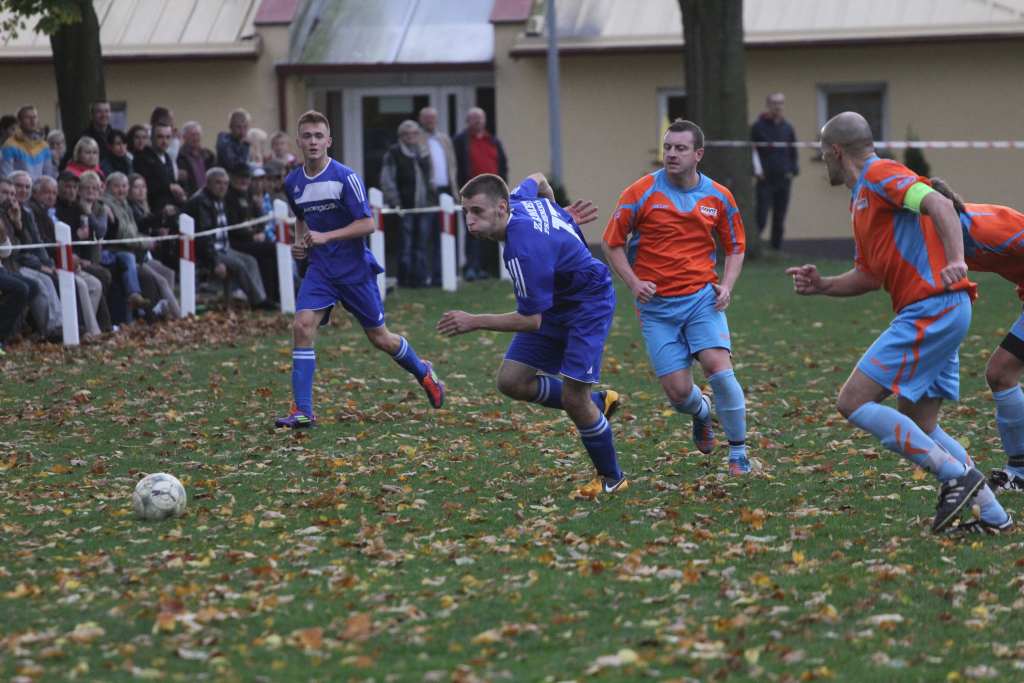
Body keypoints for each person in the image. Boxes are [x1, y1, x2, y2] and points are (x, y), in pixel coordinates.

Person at [785, 111, 1010, 535]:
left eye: (822, 153)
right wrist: (823, 285)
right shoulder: (862, 199)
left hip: (934, 308)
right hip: (940, 310)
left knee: (852, 401)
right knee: (921, 423)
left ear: (836, 152)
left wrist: (958, 260)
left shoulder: (881, 175)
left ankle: (953, 474)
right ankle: (995, 518)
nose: (823, 161)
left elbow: (937, 202)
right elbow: (870, 275)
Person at [438, 172, 625, 497]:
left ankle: (613, 479)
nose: (469, 220)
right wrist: (557, 214)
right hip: (556, 299)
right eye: (465, 211)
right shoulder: (520, 200)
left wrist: (474, 320)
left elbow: (530, 321)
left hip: (587, 304)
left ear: (500, 208)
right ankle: (597, 404)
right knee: (511, 381)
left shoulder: (522, 250)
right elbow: (538, 178)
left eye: (477, 212)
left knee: (572, 399)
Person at [275, 110, 445, 428]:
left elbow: (367, 223)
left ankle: (424, 372)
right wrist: (301, 245)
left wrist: (326, 236)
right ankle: (303, 411)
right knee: (301, 326)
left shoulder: (345, 177)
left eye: (318, 136)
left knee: (381, 338)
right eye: (307, 136)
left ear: (329, 141)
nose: (312, 142)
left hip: (354, 270)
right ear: (298, 142)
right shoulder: (293, 182)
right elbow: (300, 216)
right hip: (321, 270)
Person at [603, 119, 752, 476]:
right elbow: (612, 243)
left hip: (703, 299)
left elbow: (735, 246)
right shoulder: (639, 193)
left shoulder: (718, 196)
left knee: (720, 370)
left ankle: (739, 454)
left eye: (680, 148)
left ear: (698, 154)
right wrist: (634, 282)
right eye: (668, 147)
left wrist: (727, 285)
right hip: (657, 309)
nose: (671, 154)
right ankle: (701, 412)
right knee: (679, 394)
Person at [926, 178, 1024, 498]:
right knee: (1001, 373)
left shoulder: (987, 228)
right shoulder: (948, 237)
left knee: (1002, 372)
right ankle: (1020, 471)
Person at [184, 167, 269, 309]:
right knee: (239, 265)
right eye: (218, 183)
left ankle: (261, 298)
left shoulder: (220, 199)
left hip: (224, 247)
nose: (222, 187)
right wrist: (215, 262)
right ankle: (258, 302)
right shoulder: (202, 202)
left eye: (225, 183)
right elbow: (204, 237)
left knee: (250, 261)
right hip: (211, 251)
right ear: (208, 183)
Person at [29, 175, 102, 337]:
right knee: (81, 284)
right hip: (51, 262)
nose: (51, 196)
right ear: (35, 193)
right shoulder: (34, 212)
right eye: (46, 192)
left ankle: (90, 328)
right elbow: (43, 244)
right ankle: (80, 330)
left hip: (64, 259)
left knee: (95, 284)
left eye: (54, 193)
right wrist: (61, 260)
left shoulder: (51, 213)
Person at [103, 172, 180, 320]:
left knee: (168, 272)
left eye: (124, 186)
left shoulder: (124, 204)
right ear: (108, 187)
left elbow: (134, 232)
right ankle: (174, 317)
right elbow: (123, 237)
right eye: (117, 186)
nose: (121, 190)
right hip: (123, 254)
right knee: (157, 279)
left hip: (136, 252)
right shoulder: (108, 205)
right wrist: (146, 242)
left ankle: (167, 313)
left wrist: (148, 239)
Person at [0, 175, 60, 339]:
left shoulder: (15, 213)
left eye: (12, 194)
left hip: (9, 264)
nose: (10, 197)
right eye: (5, 192)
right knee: (30, 285)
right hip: (14, 265)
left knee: (33, 285)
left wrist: (18, 225)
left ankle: (51, 327)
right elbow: (14, 253)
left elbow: (20, 247)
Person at [452, 107, 508, 281]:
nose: (477, 122)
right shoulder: (460, 141)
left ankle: (484, 267)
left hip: (492, 194)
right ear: (468, 121)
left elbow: (502, 165)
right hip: (471, 195)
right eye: (474, 119)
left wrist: (501, 188)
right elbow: (455, 167)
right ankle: (471, 267)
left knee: (492, 229)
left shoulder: (493, 141)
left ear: (484, 121)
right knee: (473, 229)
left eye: (480, 118)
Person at [380, 120, 436, 288]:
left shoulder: (424, 152)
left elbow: (431, 176)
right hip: (404, 206)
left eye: (414, 134)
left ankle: (420, 279)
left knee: (422, 244)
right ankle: (404, 280)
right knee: (406, 245)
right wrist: (395, 201)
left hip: (424, 205)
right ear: (401, 136)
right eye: (407, 134)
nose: (411, 137)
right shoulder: (393, 153)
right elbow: (387, 179)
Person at [751, 93, 798, 251]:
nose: (778, 106)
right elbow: (751, 151)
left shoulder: (787, 127)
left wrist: (793, 169)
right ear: (768, 105)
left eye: (781, 103)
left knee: (780, 217)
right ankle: (753, 247)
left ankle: (775, 250)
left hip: (783, 178)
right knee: (761, 216)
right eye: (774, 103)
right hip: (765, 179)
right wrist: (756, 170)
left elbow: (793, 150)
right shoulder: (758, 126)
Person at [419, 106, 458, 287]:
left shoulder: (444, 139)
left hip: (447, 192)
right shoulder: (417, 138)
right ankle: (426, 276)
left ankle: (444, 274)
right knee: (426, 236)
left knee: (445, 235)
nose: (430, 121)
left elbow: (452, 165)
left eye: (433, 118)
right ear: (421, 120)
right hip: (427, 195)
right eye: (427, 118)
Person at [134, 123, 187, 214]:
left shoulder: (167, 157)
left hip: (170, 210)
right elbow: (146, 186)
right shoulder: (142, 158)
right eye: (160, 137)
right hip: (152, 211)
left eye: (168, 137)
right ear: (151, 138)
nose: (164, 141)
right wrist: (169, 187)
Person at [1, 105, 55, 180]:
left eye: (35, 117)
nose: (32, 121)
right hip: (19, 190)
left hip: (39, 190)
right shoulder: (9, 145)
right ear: (19, 121)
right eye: (28, 117)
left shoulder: (44, 146)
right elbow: (6, 176)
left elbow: (49, 176)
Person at [177, 121, 215, 196]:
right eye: (192, 135)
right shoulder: (179, 157)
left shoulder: (209, 155)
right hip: (190, 198)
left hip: (209, 197)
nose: (196, 138)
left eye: (198, 134)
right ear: (184, 137)